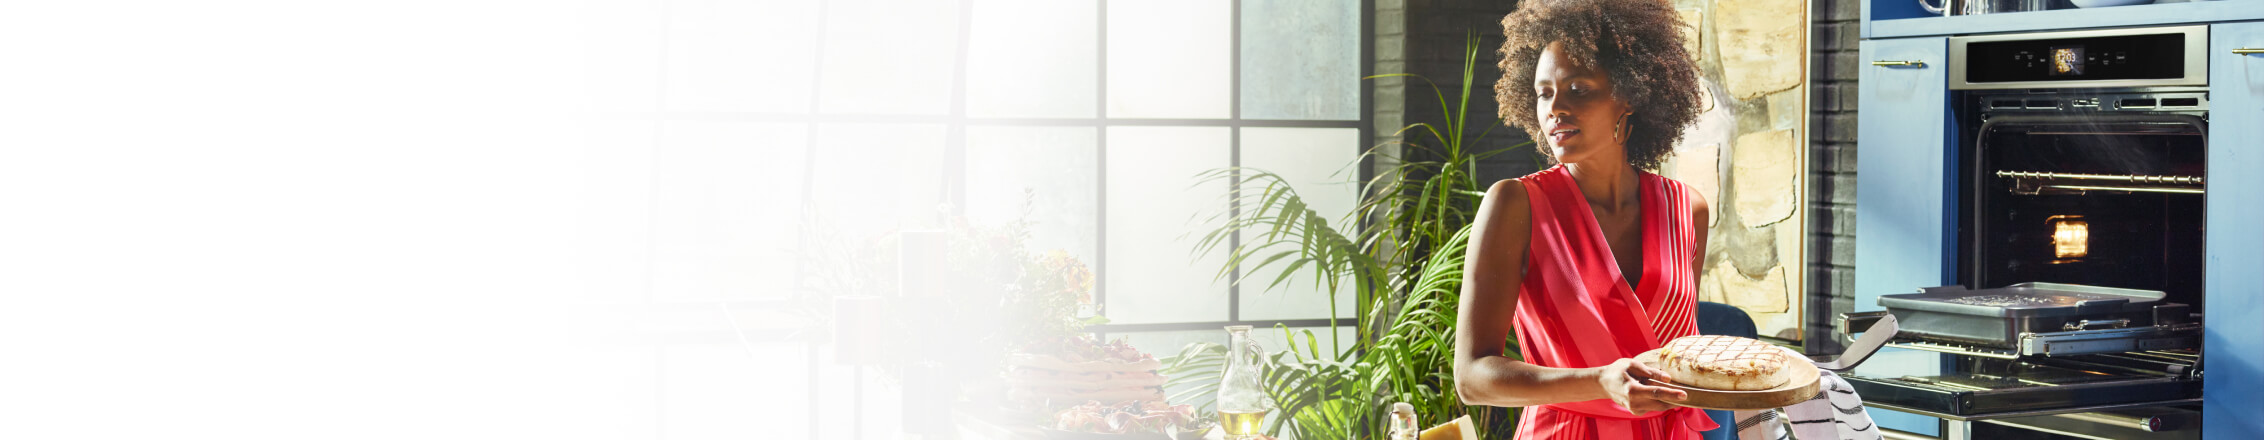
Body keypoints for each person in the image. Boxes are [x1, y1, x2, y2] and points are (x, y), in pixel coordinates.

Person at [1451, 0, 1716, 438]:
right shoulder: (1516, 204)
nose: (1554, 108)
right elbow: (1472, 378)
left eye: (1578, 89)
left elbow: (1679, 353)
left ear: (1629, 95)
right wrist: (1599, 383)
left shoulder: (1688, 209)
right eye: (1543, 93)